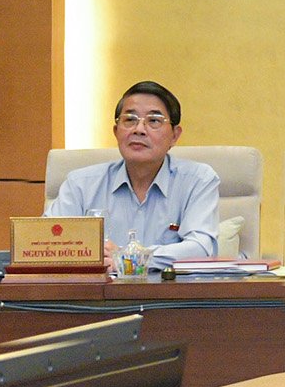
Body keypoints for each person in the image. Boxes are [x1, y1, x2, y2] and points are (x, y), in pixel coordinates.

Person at [45, 81, 222, 261]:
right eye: (130, 120)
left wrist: (127, 257)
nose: (139, 130)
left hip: (170, 289)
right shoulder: (80, 185)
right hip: (98, 289)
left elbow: (200, 249)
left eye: (153, 121)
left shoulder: (198, 180)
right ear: (116, 132)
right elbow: (47, 243)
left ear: (174, 135)